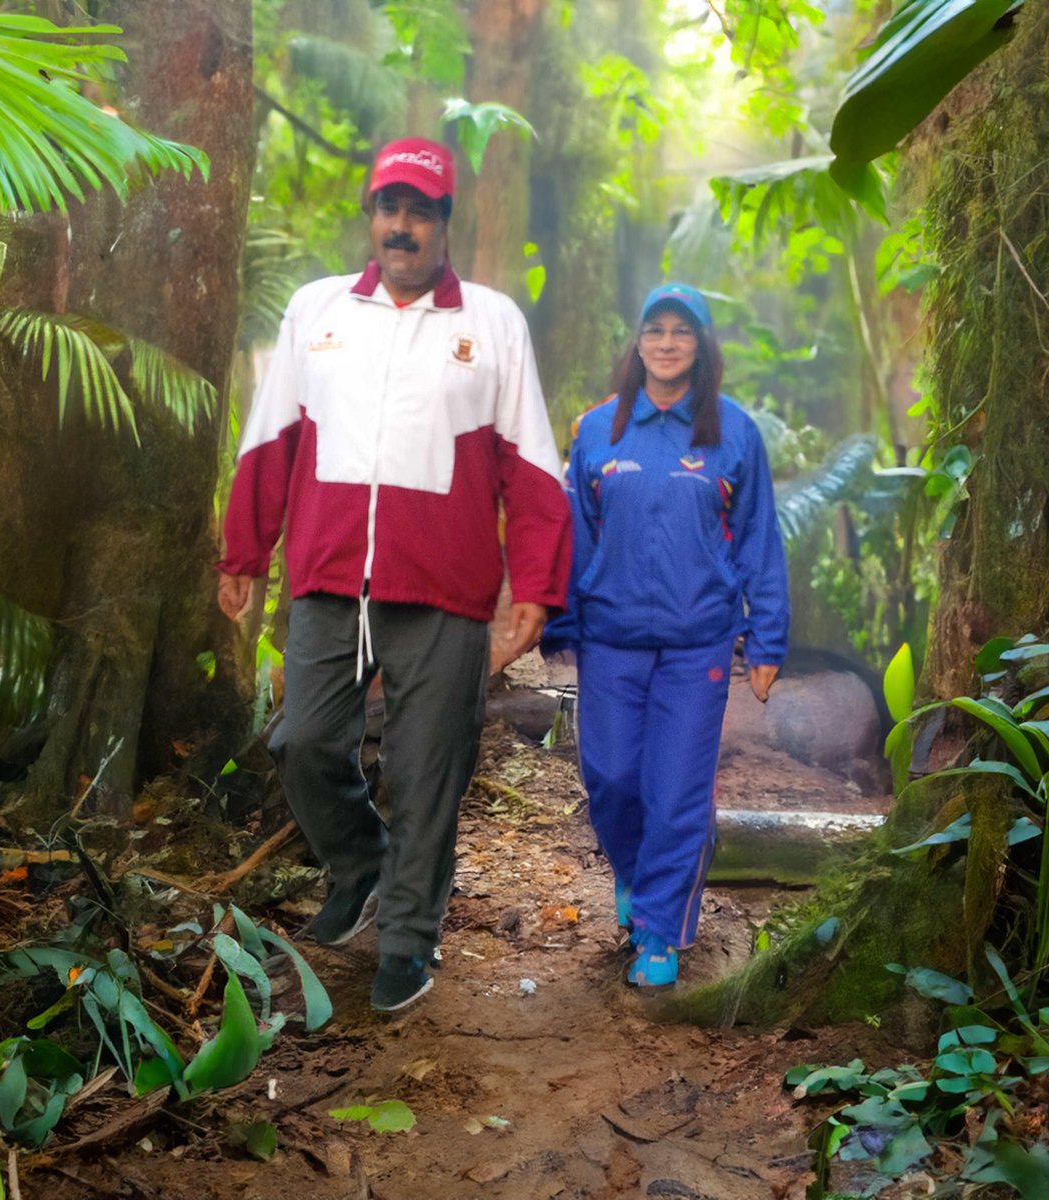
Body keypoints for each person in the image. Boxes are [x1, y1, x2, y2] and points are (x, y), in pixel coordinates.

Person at [217, 137, 571, 1012]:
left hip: (444, 592)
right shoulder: (318, 311)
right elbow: (272, 438)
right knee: (302, 741)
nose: (401, 226)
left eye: (420, 210)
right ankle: (358, 860)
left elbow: (530, 466)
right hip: (331, 578)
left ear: (446, 222)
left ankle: (410, 938)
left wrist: (534, 588)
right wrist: (243, 553)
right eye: (389, 208)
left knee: (426, 772)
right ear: (370, 217)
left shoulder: (489, 323)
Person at [546, 282, 789, 989]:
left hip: (699, 643)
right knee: (613, 778)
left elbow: (758, 538)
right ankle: (635, 874)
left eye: (683, 331)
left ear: (701, 346)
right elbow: (576, 534)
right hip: (611, 638)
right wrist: (562, 619)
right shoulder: (598, 429)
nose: (668, 342)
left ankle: (659, 930)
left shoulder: (733, 430)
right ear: (638, 341)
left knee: (676, 788)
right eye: (656, 329)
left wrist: (767, 640)